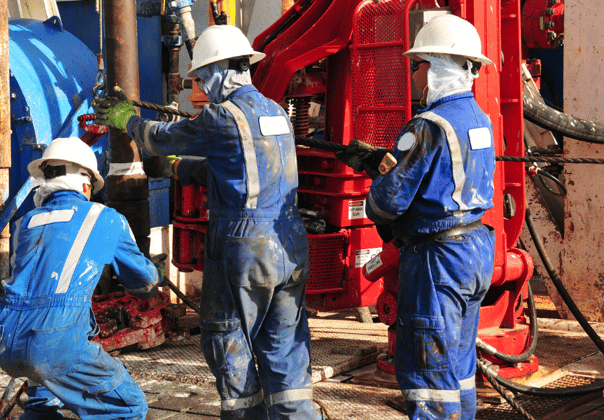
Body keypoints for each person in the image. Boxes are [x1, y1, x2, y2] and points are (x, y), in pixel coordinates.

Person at [92, 24, 320, 420]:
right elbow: (247, 169)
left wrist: (127, 119)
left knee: (228, 337)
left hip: (244, 248)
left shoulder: (222, 116)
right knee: (284, 348)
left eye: (201, 77)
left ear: (220, 70)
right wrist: (184, 170)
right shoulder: (276, 112)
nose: (200, 86)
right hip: (288, 245)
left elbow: (159, 137)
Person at [337, 14, 496, 420]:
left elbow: (388, 203)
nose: (414, 74)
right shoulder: (478, 119)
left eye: (418, 64)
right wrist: (387, 163)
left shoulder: (426, 126)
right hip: (476, 250)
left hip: (437, 259)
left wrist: (379, 179)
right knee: (457, 368)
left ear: (439, 66)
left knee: (426, 371)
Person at [0, 137, 163, 420]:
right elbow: (143, 283)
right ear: (84, 184)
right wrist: (156, 275)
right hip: (55, 339)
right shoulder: (103, 217)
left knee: (42, 405)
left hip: (4, 337)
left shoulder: (24, 223)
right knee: (127, 407)